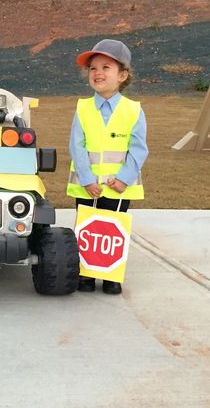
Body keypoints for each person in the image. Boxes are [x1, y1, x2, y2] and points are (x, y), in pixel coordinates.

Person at [67, 39, 149, 294]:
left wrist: (124, 178)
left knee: (112, 230)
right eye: (93, 68)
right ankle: (86, 275)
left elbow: (138, 149)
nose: (98, 73)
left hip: (118, 187)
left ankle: (112, 276)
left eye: (106, 67)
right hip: (87, 185)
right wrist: (88, 179)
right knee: (88, 229)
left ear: (122, 75)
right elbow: (77, 146)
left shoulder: (133, 110)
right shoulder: (83, 108)